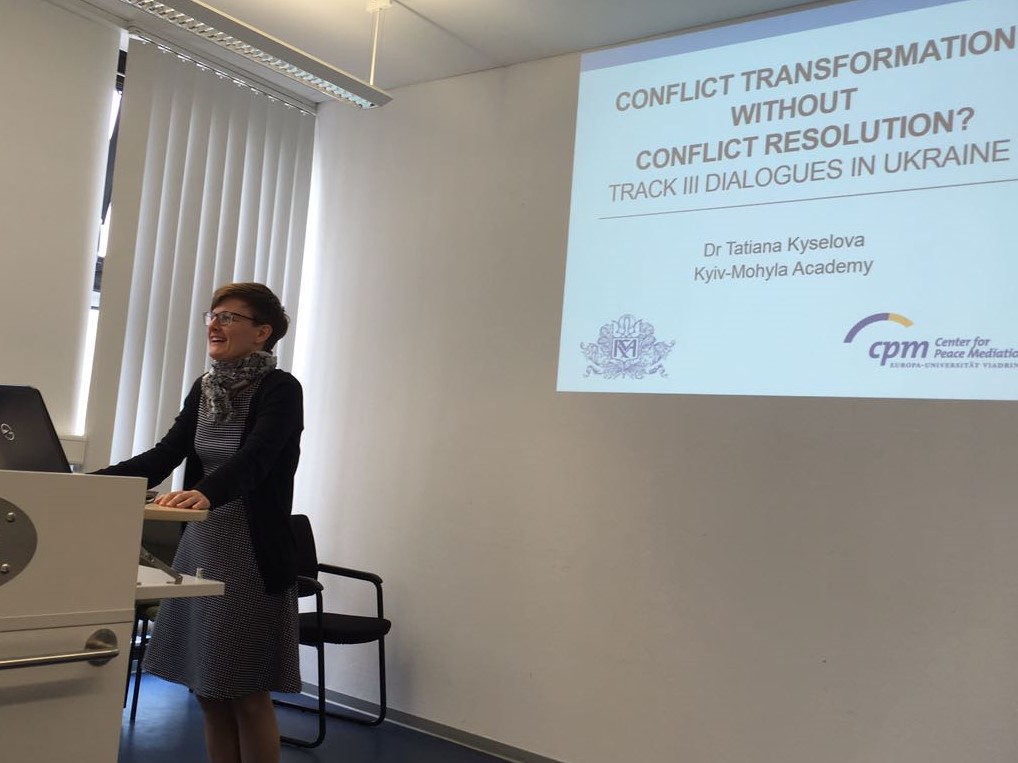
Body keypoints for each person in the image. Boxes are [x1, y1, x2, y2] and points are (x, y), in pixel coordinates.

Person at [96, 282, 302, 763]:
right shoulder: (205, 388)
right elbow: (166, 454)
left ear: (262, 332)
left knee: (245, 691)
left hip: (250, 551)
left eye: (229, 317)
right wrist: (92, 484)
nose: (214, 324)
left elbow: (257, 457)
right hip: (202, 545)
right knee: (208, 691)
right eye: (212, 315)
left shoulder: (281, 389)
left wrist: (209, 490)